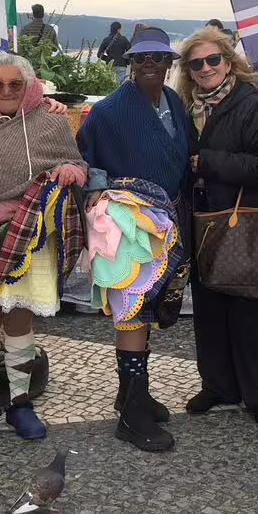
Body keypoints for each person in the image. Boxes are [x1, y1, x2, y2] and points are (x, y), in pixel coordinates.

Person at [0, 53, 89, 444]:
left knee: (21, 322)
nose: (6, 91)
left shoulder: (52, 120)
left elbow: (76, 162)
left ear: (29, 86)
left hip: (29, 234)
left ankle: (21, 403)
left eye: (15, 85)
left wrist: (70, 172)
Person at [77, 26, 191, 452]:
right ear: (129, 63)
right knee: (131, 306)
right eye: (141, 58)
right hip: (126, 222)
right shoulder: (107, 111)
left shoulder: (174, 102)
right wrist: (104, 190)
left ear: (169, 64)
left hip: (164, 219)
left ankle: (131, 393)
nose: (149, 65)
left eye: (159, 58)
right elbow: (85, 158)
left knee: (146, 307)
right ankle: (131, 415)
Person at [175, 27, 258, 426]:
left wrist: (208, 161)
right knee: (209, 309)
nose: (205, 68)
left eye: (212, 60)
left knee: (252, 309)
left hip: (245, 224)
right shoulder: (188, 108)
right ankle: (219, 385)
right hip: (203, 223)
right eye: (196, 63)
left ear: (229, 61)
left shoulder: (251, 104)